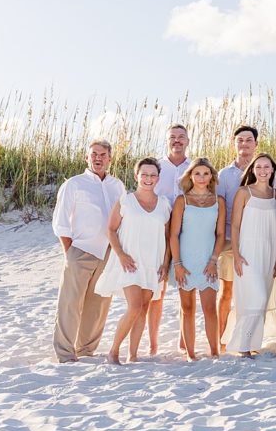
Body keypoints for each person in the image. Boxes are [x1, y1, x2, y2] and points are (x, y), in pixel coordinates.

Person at [51, 138, 126, 363]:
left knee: (99, 305)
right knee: (70, 304)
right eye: (93, 154)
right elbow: (61, 222)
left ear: (110, 159)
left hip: (108, 253)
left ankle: (86, 350)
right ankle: (65, 354)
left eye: (103, 155)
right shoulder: (73, 184)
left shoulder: (117, 186)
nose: (98, 158)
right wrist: (70, 252)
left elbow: (123, 218)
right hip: (80, 250)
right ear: (87, 157)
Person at [95, 157, 169, 364]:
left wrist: (165, 263)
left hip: (152, 262)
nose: (148, 178)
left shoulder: (164, 205)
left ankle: (133, 355)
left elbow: (167, 236)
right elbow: (110, 230)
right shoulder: (125, 200)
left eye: (153, 175)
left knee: (144, 308)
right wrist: (121, 255)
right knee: (135, 306)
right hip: (130, 262)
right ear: (136, 176)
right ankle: (114, 351)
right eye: (144, 174)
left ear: (158, 178)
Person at [224, 153, 276, 356]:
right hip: (247, 254)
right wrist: (236, 254)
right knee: (254, 299)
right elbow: (235, 226)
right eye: (258, 167)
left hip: (269, 254)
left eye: (266, 167)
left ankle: (252, 344)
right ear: (252, 170)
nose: (262, 171)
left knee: (263, 299)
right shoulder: (244, 192)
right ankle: (241, 345)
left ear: (272, 170)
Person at [167, 158, 226, 360]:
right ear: (190, 176)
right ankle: (191, 354)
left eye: (206, 173)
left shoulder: (219, 201)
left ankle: (215, 352)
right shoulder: (182, 201)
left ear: (212, 177)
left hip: (208, 261)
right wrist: (178, 264)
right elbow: (173, 235)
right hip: (185, 260)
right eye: (197, 173)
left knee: (210, 308)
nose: (201, 177)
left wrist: (213, 260)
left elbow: (220, 235)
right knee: (188, 308)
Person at [147, 123, 191, 356]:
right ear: (167, 141)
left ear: (187, 141)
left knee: (186, 287)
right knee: (158, 288)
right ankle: (153, 343)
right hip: (159, 233)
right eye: (173, 137)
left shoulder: (194, 166)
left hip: (187, 232)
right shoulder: (156, 167)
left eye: (181, 137)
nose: (177, 140)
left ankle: (185, 340)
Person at [216, 125, 259, 351]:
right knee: (227, 291)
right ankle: (221, 339)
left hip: (256, 240)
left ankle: (248, 339)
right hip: (230, 239)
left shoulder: (263, 170)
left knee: (251, 292)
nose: (244, 144)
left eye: (248, 140)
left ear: (256, 144)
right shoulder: (224, 174)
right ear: (234, 144)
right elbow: (220, 208)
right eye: (240, 140)